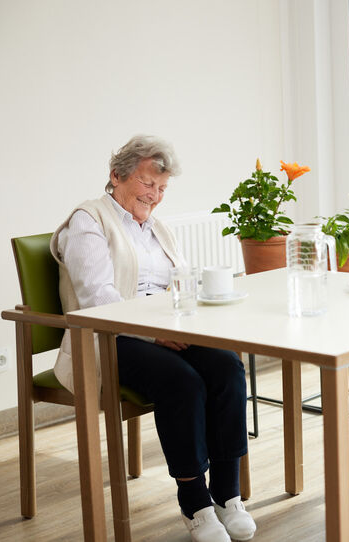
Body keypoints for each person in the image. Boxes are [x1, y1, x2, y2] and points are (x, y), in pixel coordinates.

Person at [49, 135, 255, 542]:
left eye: (162, 188)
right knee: (182, 381)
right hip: (110, 337)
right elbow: (97, 298)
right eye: (148, 183)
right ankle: (195, 502)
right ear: (116, 176)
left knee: (227, 366)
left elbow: (179, 281)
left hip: (167, 330)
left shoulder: (157, 228)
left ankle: (227, 494)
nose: (155, 196)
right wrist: (152, 334)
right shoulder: (88, 221)